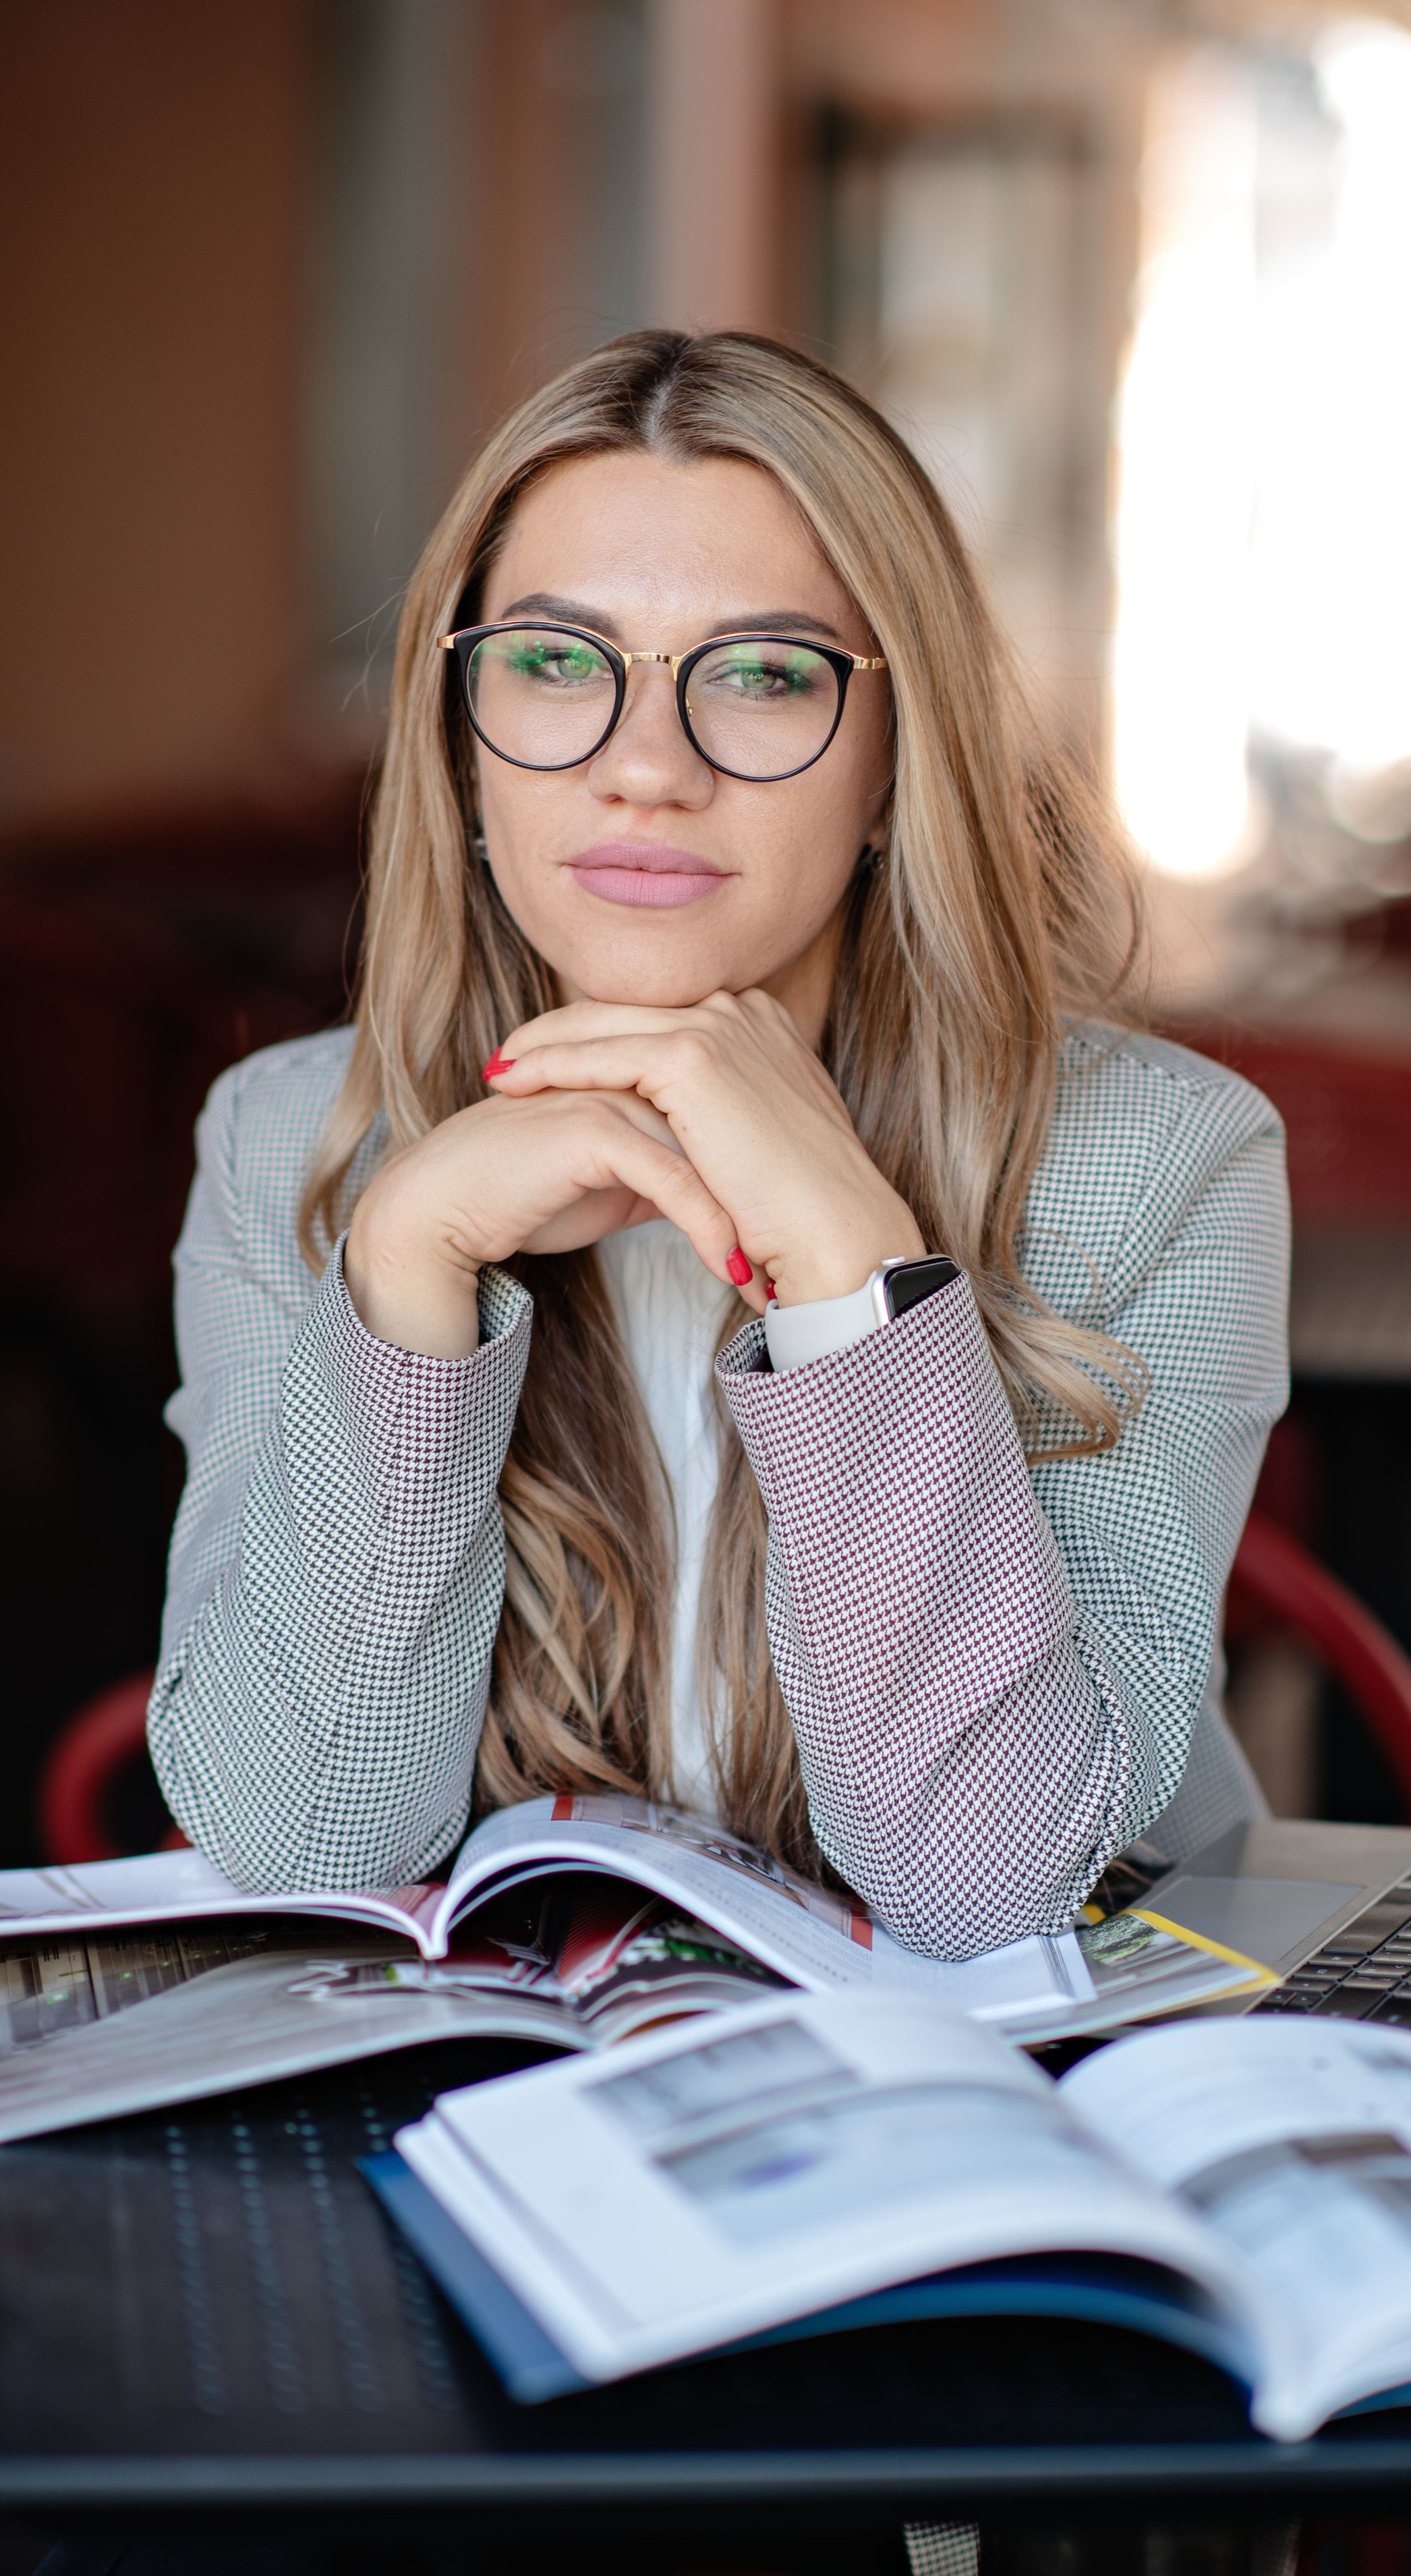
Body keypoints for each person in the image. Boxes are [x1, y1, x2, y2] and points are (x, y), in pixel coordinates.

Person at [145, 328, 1289, 1957]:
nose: (644, 767)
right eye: (554, 662)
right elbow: (302, 1835)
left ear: (897, 762)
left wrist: (847, 1271)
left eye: (763, 675)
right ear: (461, 738)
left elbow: (986, 1888)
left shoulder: (1157, 1161)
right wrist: (406, 1267)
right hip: (508, 2103)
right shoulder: (287, 1142)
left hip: (1038, 2094)